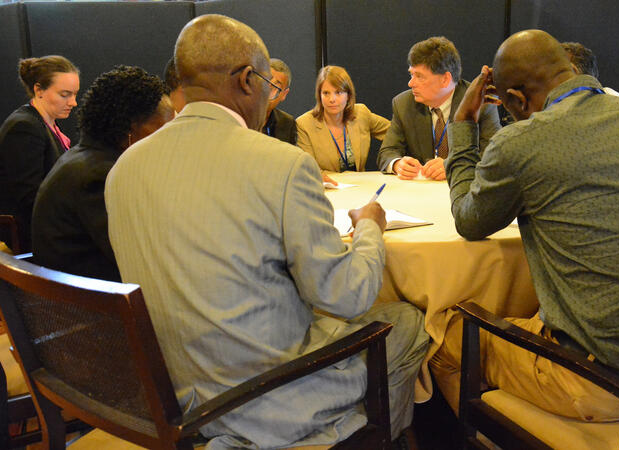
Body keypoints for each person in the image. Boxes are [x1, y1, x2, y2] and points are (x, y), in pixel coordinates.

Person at [105, 14, 428, 448]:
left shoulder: (124, 168)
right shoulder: (282, 163)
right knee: (409, 322)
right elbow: (347, 297)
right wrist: (369, 226)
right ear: (245, 80)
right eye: (268, 86)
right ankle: (358, 438)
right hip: (267, 394)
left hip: (174, 397)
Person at [432, 30, 619, 421]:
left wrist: (463, 123)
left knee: (447, 335)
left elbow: (468, 220)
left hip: (598, 380)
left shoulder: (523, 140)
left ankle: (500, 433)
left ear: (515, 100)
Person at [32, 66, 173, 282]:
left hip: (76, 298)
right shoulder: (99, 177)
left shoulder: (84, 159)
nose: (168, 141)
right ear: (130, 129)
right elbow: (134, 257)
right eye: (162, 131)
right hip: (92, 306)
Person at [377, 36, 501, 180]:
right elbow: (387, 152)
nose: (411, 83)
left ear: (445, 79)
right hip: (421, 193)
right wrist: (398, 164)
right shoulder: (403, 103)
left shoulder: (480, 102)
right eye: (411, 74)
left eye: (419, 76)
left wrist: (453, 165)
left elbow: (494, 156)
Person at [0, 55, 79, 252]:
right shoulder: (24, 127)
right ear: (38, 90)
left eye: (74, 94)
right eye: (65, 94)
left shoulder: (44, 124)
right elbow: (29, 199)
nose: (73, 102)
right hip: (31, 237)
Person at [297, 65, 389, 172]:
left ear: (348, 95)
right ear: (319, 95)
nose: (332, 99)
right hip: (326, 188)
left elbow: (394, 132)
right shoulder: (304, 124)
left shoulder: (361, 114)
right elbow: (308, 170)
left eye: (338, 92)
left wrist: (394, 160)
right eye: (326, 93)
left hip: (361, 186)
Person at [261, 58, 297, 145]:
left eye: (274, 87)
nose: (267, 91)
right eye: (265, 82)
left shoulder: (287, 123)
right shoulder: (237, 115)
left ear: (284, 94)